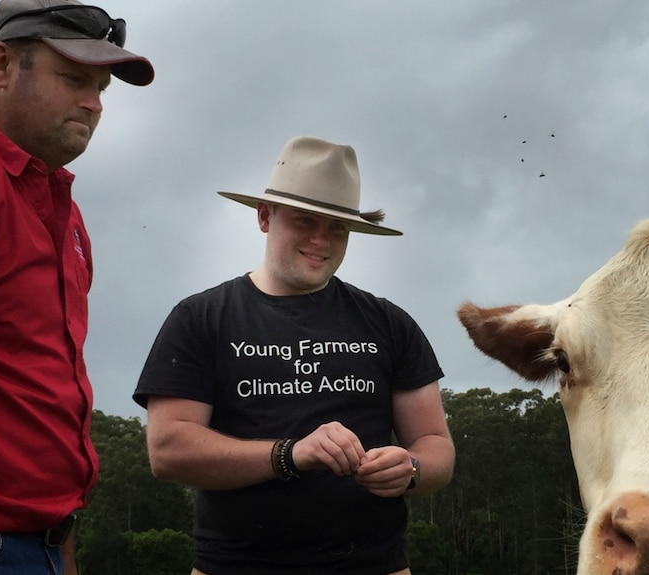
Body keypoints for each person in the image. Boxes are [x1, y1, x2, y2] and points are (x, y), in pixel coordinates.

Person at [133, 135, 456, 575]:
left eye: (337, 227)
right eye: (305, 221)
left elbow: (437, 447)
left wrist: (411, 469)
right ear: (265, 216)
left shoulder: (389, 322)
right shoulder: (200, 318)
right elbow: (168, 451)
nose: (321, 240)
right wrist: (290, 454)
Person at [0, 1, 154, 573]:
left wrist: (58, 536)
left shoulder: (59, 203)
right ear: (3, 64)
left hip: (36, 544)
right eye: (73, 79)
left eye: (101, 88)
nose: (93, 103)